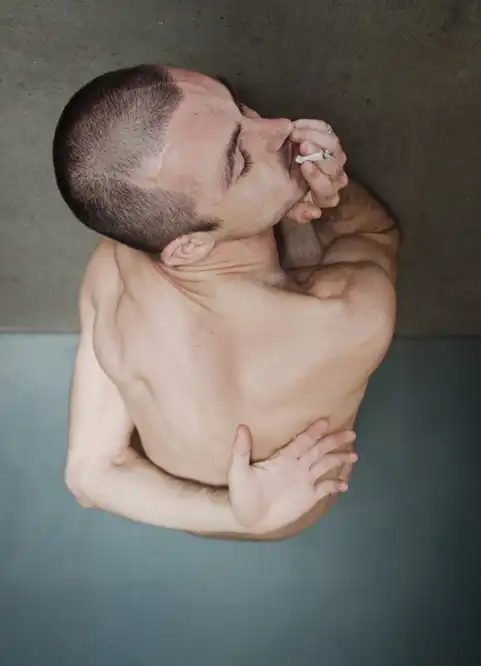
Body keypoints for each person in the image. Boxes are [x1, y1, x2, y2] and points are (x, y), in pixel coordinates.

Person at [52, 65, 400, 541]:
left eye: (240, 108)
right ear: (189, 247)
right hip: (289, 509)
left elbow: (89, 475)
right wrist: (326, 187)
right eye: (239, 161)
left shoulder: (110, 267)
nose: (279, 128)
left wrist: (235, 514)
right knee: (309, 248)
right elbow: (376, 233)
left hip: (223, 505)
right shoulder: (343, 316)